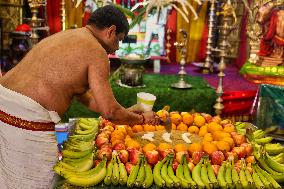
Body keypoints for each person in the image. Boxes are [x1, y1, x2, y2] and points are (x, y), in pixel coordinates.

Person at [0, 5, 160, 189]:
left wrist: (125, 112)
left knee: (9, 177)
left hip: (4, 104)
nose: (116, 48)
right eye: (120, 40)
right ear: (111, 31)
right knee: (37, 181)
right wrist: (138, 119)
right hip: (26, 119)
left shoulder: (68, 35)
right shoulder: (96, 51)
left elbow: (87, 97)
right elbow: (109, 111)